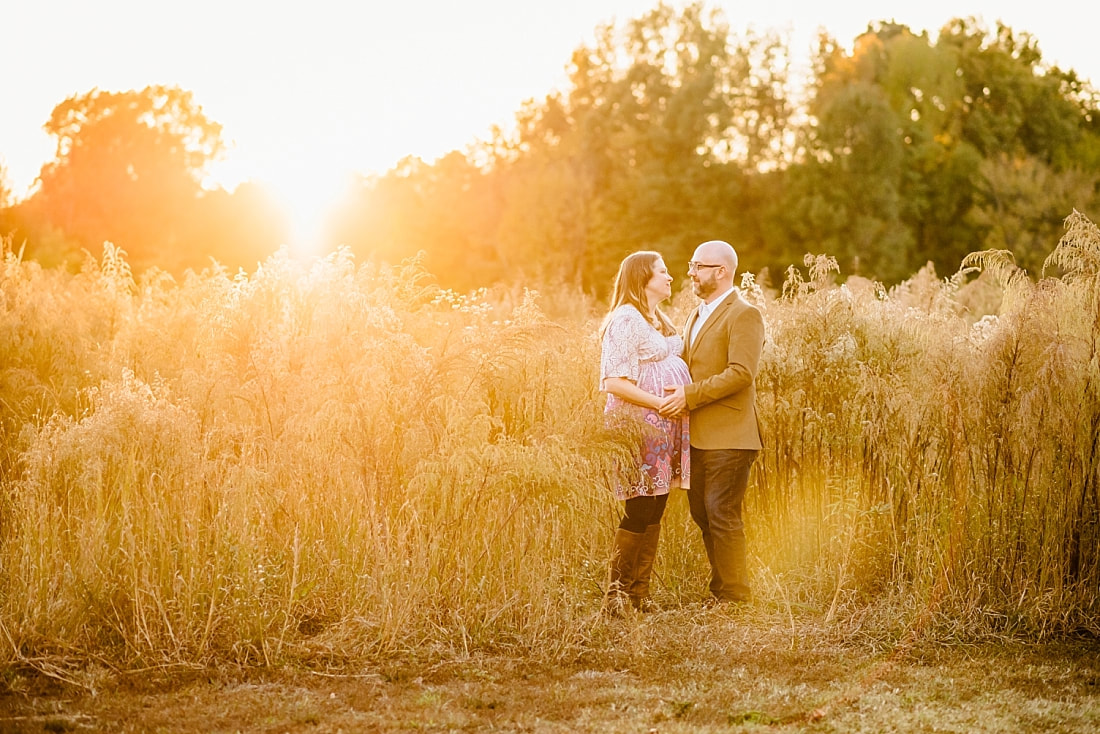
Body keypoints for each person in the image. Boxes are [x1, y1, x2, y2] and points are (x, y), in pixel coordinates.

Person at [659, 240, 764, 604]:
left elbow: (741, 373)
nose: (690, 272)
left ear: (721, 272)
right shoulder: (695, 314)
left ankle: (735, 597)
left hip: (731, 436)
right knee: (703, 514)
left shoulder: (744, 314)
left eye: (698, 266)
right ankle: (722, 590)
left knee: (722, 513)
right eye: (691, 264)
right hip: (698, 436)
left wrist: (688, 396)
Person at [598, 251, 691, 612]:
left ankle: (639, 594)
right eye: (663, 272)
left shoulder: (656, 318)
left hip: (663, 426)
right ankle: (615, 596)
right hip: (638, 424)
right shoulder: (625, 319)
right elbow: (613, 382)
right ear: (642, 278)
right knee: (639, 507)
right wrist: (657, 403)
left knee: (656, 506)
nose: (670, 277)